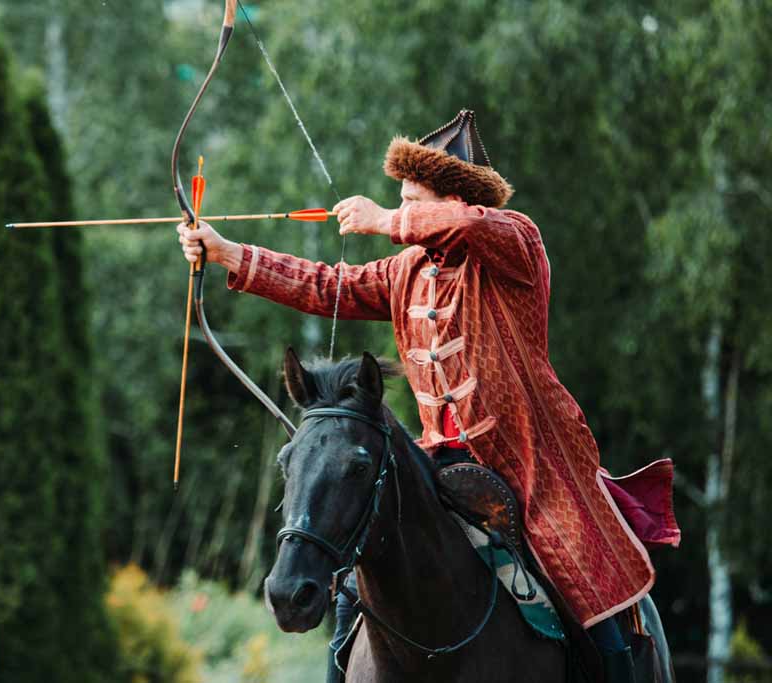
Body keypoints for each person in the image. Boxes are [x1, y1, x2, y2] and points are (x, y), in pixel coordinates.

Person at [176, 110, 679, 683]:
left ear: (458, 200)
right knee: (364, 566)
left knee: (592, 600)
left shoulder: (515, 246)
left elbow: (478, 228)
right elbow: (327, 284)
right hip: (439, 466)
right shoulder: (405, 271)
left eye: (416, 199)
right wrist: (227, 254)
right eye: (403, 199)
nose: (407, 210)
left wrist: (387, 218)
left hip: (535, 470)